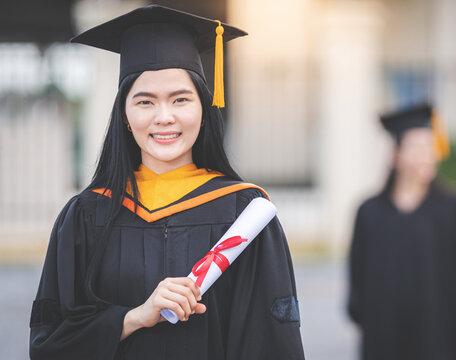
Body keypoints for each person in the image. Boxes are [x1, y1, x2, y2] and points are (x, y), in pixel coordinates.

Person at [29, 5, 304, 360]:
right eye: (145, 101)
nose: (164, 117)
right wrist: (133, 318)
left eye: (181, 99)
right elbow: (49, 343)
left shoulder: (244, 215)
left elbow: (271, 343)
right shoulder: (86, 215)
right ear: (125, 116)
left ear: (203, 110)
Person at [347, 103, 456, 360]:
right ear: (396, 156)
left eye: (430, 148)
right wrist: (361, 313)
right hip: (383, 333)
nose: (426, 156)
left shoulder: (452, 208)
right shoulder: (370, 212)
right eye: (417, 148)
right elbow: (358, 273)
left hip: (440, 333)